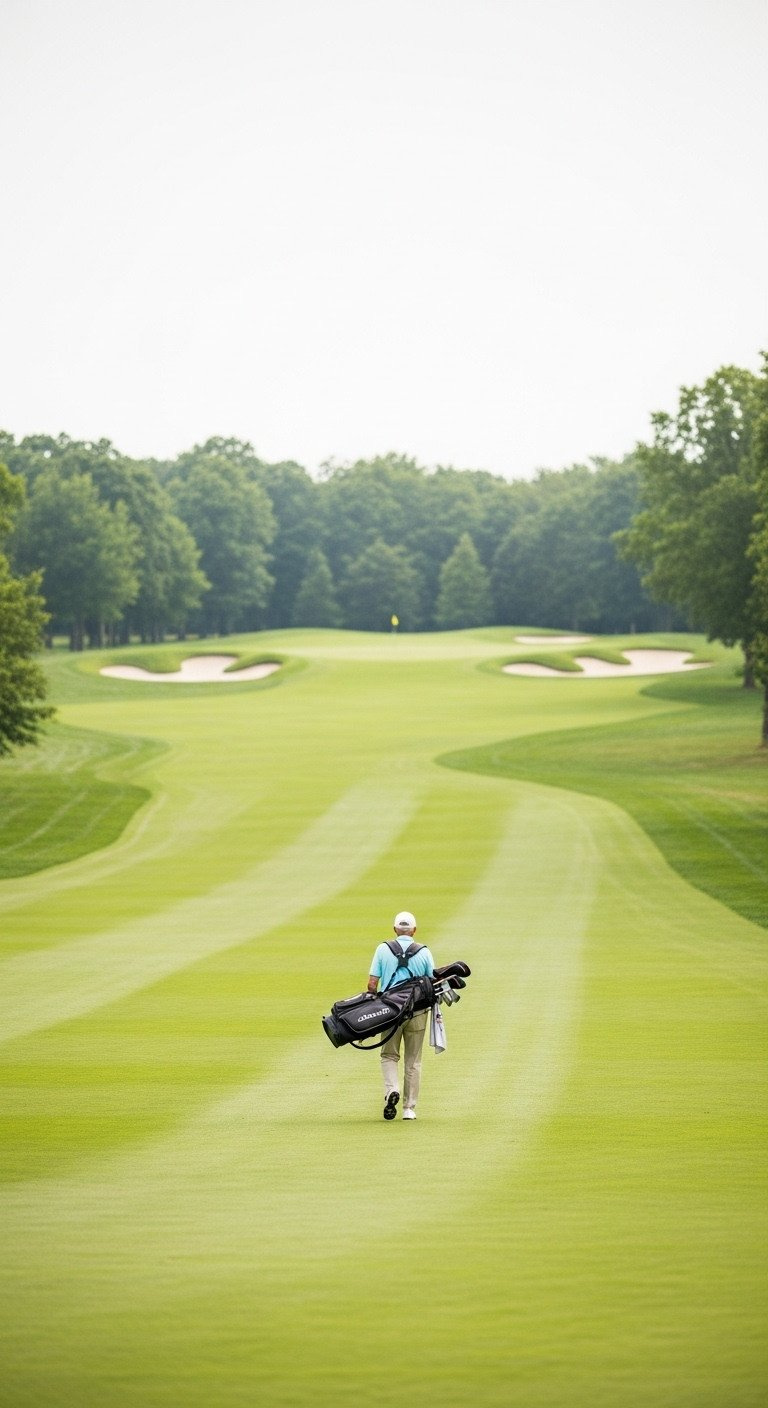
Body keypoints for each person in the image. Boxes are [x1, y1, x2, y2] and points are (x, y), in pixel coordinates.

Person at [367, 910, 435, 1121]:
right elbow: (431, 983)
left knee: (389, 1055)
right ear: (414, 930)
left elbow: (372, 984)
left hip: (390, 1012)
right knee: (413, 1061)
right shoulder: (424, 952)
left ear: (395, 929)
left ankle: (392, 1090)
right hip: (418, 1012)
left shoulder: (382, 949)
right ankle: (409, 1109)